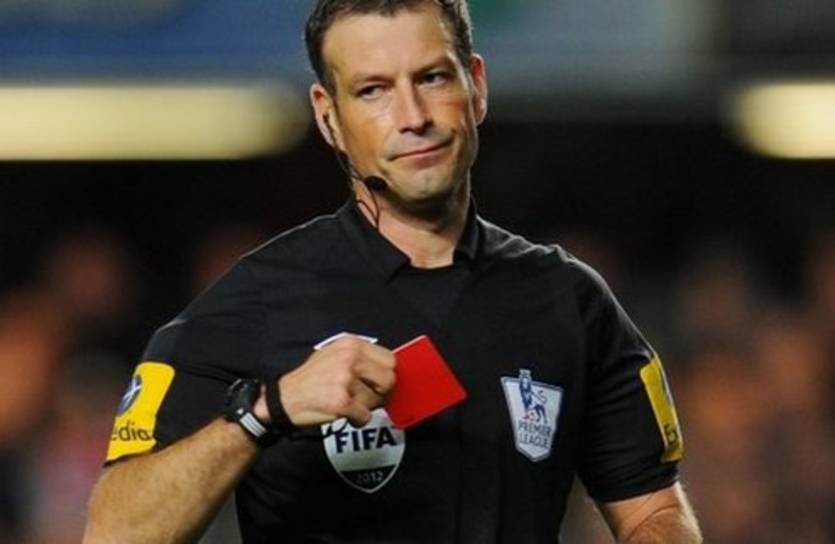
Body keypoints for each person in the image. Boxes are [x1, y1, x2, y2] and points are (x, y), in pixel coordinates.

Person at [83, 1, 702, 542]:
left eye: (432, 78)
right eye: (373, 91)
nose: (413, 116)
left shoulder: (569, 301)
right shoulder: (252, 305)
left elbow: (654, 509)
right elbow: (115, 532)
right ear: (329, 117)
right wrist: (266, 411)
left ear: (476, 85)